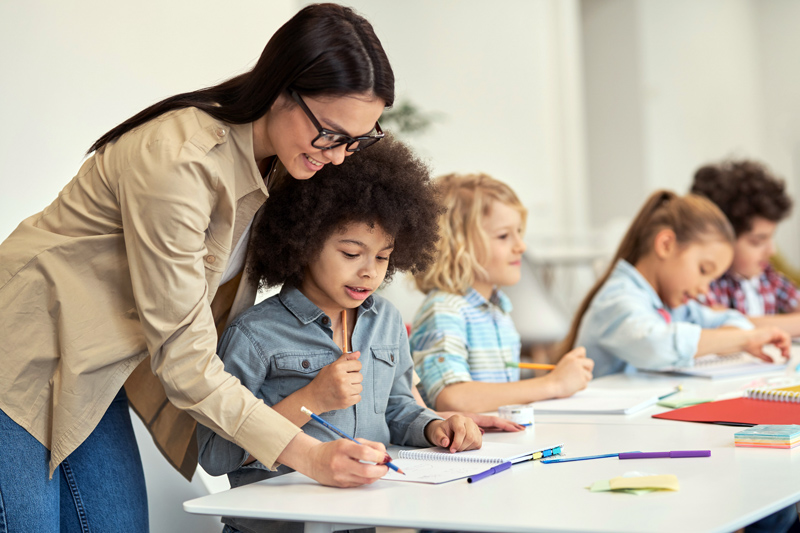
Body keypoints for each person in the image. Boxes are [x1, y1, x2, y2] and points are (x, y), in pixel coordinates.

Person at [0, 4, 402, 531]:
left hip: (90, 369)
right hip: (20, 351)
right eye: (330, 133)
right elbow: (184, 358)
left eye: (357, 139)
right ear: (283, 89)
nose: (339, 155)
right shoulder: (179, 163)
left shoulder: (281, 165)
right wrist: (308, 455)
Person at [197, 136, 482, 533]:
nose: (370, 271)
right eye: (351, 253)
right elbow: (214, 455)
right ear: (304, 240)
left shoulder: (385, 320)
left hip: (360, 520)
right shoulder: (254, 334)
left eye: (382, 257)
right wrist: (310, 398)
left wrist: (435, 426)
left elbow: (397, 409)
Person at [410, 173, 594, 414]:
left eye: (519, 232)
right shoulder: (444, 310)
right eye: (504, 236)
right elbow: (453, 398)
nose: (521, 246)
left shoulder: (498, 308)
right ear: (458, 247)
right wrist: (553, 383)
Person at [562, 190, 791, 379]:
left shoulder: (674, 305)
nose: (704, 289)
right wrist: (743, 340)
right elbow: (656, 345)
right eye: (703, 270)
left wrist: (738, 336)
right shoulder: (618, 298)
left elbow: (733, 321)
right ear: (666, 245)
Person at [690, 159, 800, 336]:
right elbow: (725, 324)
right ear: (719, 240)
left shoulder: (767, 277)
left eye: (771, 238)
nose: (772, 251)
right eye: (757, 241)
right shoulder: (706, 284)